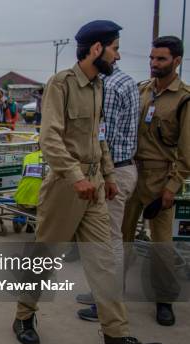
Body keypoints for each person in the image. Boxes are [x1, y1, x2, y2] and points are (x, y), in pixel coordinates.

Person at [12, 20, 164, 344]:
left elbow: (100, 135)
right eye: (114, 47)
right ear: (96, 49)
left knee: (105, 261)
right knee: (45, 256)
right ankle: (23, 315)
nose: (118, 54)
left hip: (94, 187)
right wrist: (76, 175)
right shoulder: (60, 85)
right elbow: (49, 139)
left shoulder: (99, 86)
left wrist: (107, 175)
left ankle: (117, 336)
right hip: (66, 187)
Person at [121, 36, 189, 326]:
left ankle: (164, 300)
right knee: (120, 238)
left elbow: (187, 150)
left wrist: (172, 187)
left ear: (177, 61)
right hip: (131, 173)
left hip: (161, 177)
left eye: (160, 59)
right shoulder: (142, 91)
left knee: (161, 244)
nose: (153, 63)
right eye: (151, 58)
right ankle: (111, 292)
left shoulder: (184, 98)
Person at [76, 59, 140, 321]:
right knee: (108, 238)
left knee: (108, 240)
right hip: (123, 168)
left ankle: (107, 305)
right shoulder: (127, 81)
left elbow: (103, 136)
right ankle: (104, 296)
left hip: (112, 171)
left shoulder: (110, 87)